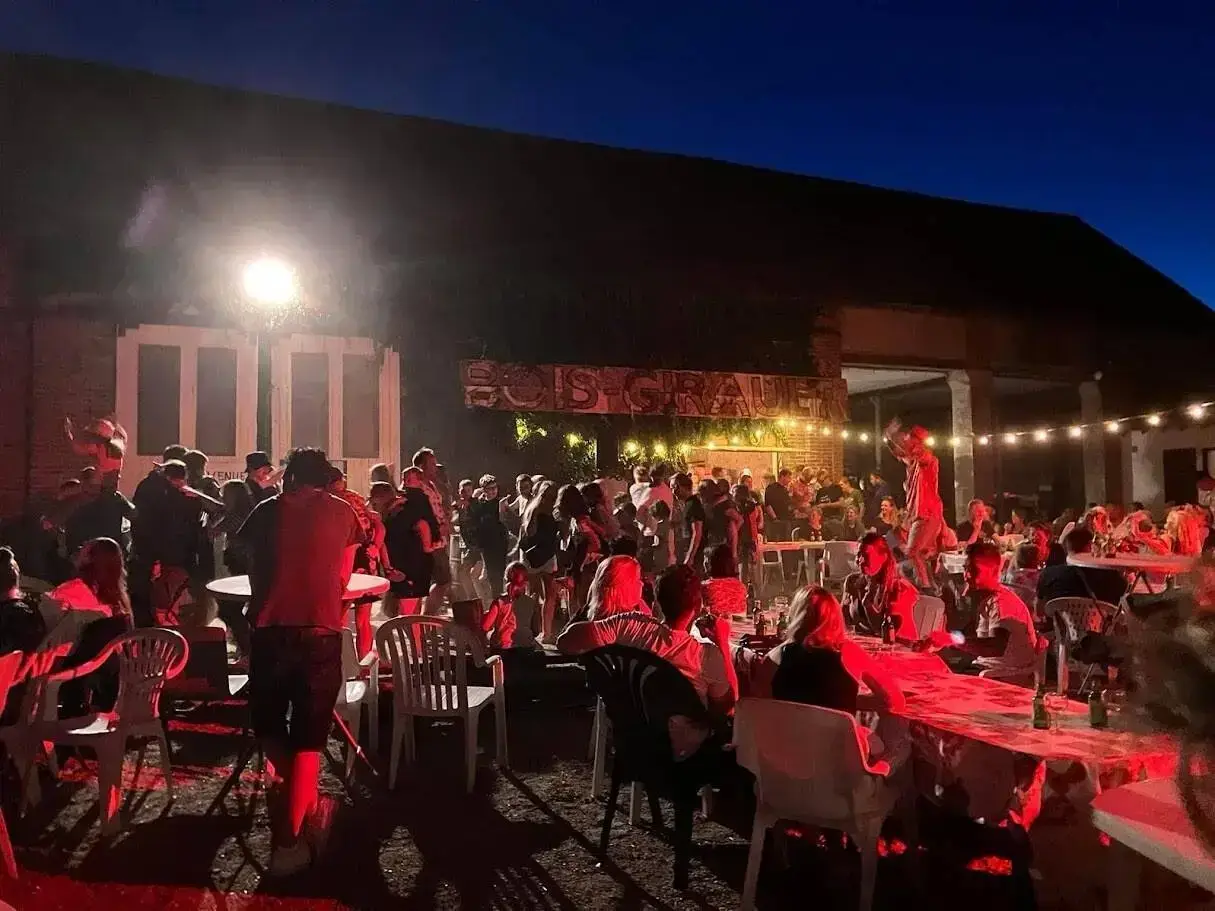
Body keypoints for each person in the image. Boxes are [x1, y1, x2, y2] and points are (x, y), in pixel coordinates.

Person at [235, 447, 362, 876]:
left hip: (271, 630)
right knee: (310, 737)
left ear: (289, 476)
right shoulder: (344, 512)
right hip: (321, 631)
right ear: (325, 479)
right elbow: (343, 578)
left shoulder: (267, 510)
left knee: (271, 727)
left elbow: (247, 562)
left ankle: (291, 820)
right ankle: (290, 840)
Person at [557, 559, 735, 757]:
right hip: (684, 754)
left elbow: (565, 641)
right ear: (698, 605)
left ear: (657, 599)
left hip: (634, 736)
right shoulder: (705, 655)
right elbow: (729, 706)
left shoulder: (630, 626)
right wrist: (722, 643)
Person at [751, 585, 905, 714]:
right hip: (836, 740)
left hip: (788, 739)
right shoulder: (848, 652)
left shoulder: (775, 657)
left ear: (796, 616)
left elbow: (761, 708)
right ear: (836, 617)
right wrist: (847, 701)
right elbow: (893, 700)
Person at [920, 540, 1039, 680]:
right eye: (966, 569)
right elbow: (972, 638)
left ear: (993, 572)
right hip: (988, 667)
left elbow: (995, 648)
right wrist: (943, 639)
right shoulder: (987, 599)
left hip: (1004, 674)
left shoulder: (1001, 603)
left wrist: (951, 639)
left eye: (974, 570)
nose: (967, 576)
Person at [43, 537, 134, 713]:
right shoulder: (120, 600)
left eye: (82, 549)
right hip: (107, 674)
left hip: (77, 670)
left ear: (90, 558)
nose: (77, 552)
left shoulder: (75, 589)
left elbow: (48, 615)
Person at [884, 418, 944, 587]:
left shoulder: (929, 461)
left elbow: (912, 452)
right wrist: (890, 439)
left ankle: (925, 587)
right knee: (919, 554)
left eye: (908, 439)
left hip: (926, 514)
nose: (904, 442)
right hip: (921, 515)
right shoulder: (911, 466)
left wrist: (894, 437)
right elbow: (900, 453)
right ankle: (931, 586)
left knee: (913, 552)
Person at [382, 467, 440, 619]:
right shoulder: (406, 500)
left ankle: (415, 633)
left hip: (411, 559)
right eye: (404, 478)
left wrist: (428, 546)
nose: (405, 481)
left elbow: (423, 524)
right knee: (412, 608)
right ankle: (416, 632)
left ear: (419, 481)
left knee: (409, 610)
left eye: (409, 479)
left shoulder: (416, 500)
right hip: (412, 558)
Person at [841, 531, 918, 641]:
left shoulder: (899, 588)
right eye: (858, 555)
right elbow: (843, 621)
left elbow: (886, 632)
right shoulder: (853, 582)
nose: (860, 560)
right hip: (868, 646)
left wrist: (868, 605)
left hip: (900, 646)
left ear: (883, 557)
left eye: (866, 555)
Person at [1037, 525, 1128, 607]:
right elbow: (1124, 600)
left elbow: (1039, 609)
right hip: (1098, 619)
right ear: (1089, 546)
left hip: (1058, 620)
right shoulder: (1109, 576)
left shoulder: (1047, 575)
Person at [520, 480, 562, 642]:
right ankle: (533, 630)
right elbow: (529, 533)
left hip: (544, 555)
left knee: (547, 594)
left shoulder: (543, 509)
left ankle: (544, 633)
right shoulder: (536, 510)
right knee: (536, 594)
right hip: (536, 556)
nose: (550, 500)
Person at [413, 449, 453, 616]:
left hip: (439, 541)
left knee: (443, 580)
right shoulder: (417, 487)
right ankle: (424, 618)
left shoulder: (432, 485)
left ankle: (426, 617)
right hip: (428, 540)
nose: (435, 467)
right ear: (421, 466)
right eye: (432, 464)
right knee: (440, 580)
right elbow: (416, 514)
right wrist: (435, 527)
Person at [482, 562, 540, 650]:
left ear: (506, 579)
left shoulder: (499, 601)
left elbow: (485, 626)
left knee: (489, 634)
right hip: (526, 648)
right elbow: (536, 631)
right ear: (525, 582)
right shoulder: (531, 602)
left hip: (503, 648)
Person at [64, 415, 128, 481]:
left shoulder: (101, 446)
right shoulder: (116, 444)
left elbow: (77, 449)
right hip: (110, 480)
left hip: (102, 480)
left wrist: (68, 433)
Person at [701, 544, 748, 619]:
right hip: (740, 625)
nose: (704, 564)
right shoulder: (741, 587)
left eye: (705, 560)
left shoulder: (706, 587)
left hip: (716, 625)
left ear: (709, 564)